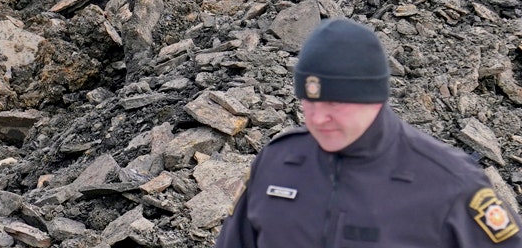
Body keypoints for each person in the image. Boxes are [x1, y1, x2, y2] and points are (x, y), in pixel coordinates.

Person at [215, 17, 521, 247]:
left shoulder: (450, 183)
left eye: (335, 102)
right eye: (309, 102)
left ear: (373, 97)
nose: (319, 118)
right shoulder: (276, 164)